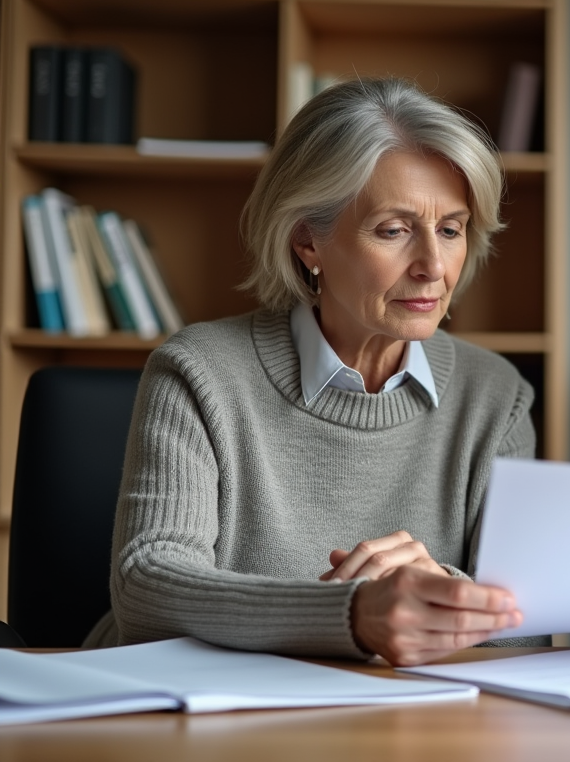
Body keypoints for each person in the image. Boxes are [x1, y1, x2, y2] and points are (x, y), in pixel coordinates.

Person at [84, 78, 541, 665]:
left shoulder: (497, 395)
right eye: (394, 230)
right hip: (200, 712)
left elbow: (526, 634)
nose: (433, 266)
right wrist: (352, 616)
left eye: (450, 229)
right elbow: (146, 589)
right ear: (308, 242)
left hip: (399, 716)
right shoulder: (199, 371)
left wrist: (439, 593)